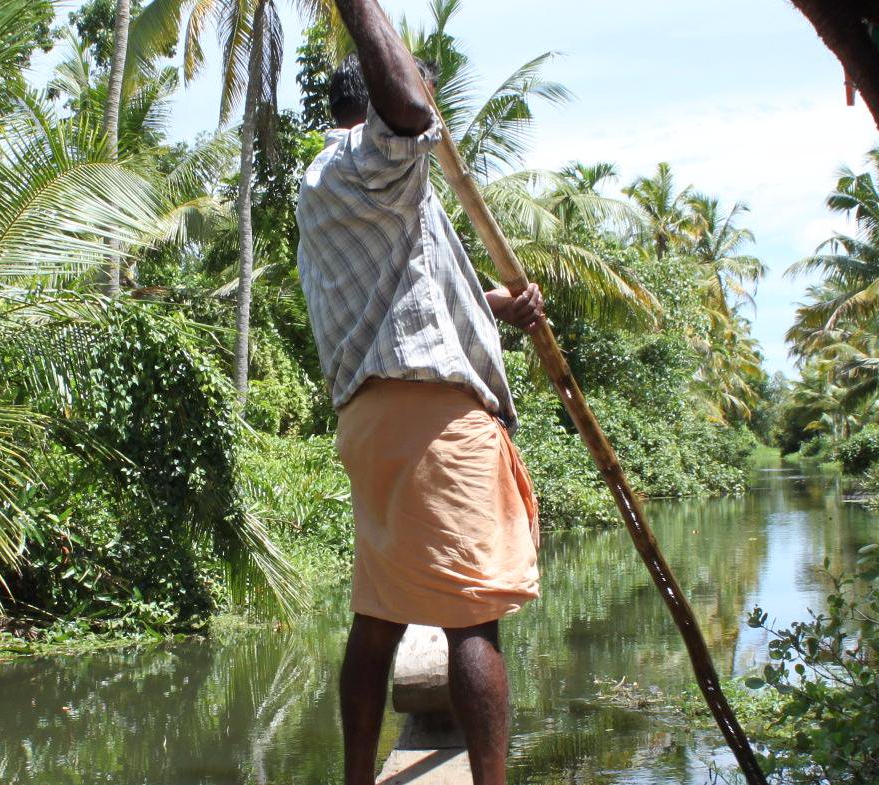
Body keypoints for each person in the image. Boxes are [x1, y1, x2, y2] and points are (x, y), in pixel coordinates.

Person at [298, 2, 546, 783]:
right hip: (432, 417)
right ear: (374, 101)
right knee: (474, 616)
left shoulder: (341, 184)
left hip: (373, 421)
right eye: (423, 100)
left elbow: (414, 297)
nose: (431, 122)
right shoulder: (370, 159)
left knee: (377, 618)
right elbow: (406, 109)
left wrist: (499, 306)